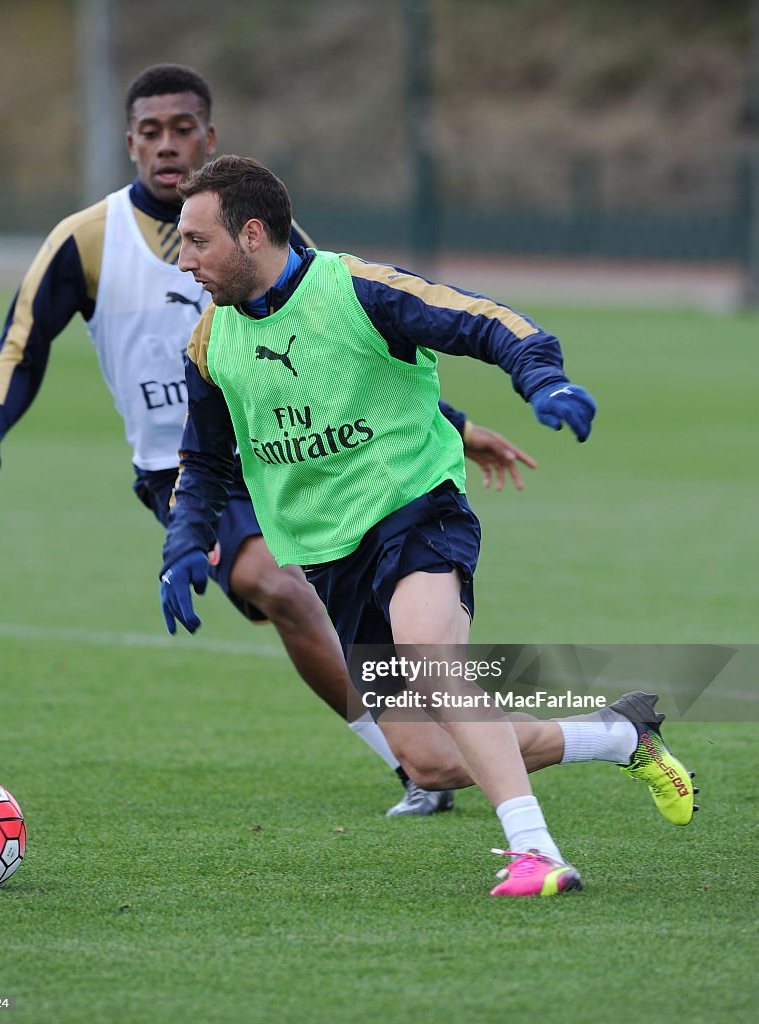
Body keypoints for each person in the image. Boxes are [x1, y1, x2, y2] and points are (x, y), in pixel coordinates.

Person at [0, 62, 537, 817]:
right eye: (151, 132)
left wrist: (459, 426)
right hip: (188, 470)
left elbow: (350, 361)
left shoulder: (263, 234)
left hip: (292, 458)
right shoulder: (86, 240)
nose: (167, 144)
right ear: (129, 143)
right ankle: (407, 758)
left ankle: (467, 746)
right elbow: (20, 344)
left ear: (209, 135)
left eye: (182, 128)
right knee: (280, 588)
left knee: (388, 616)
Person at [159, 155, 697, 896]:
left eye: (195, 241)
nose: (184, 261)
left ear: (252, 234)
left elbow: (484, 320)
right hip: (331, 553)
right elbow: (205, 461)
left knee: (430, 654)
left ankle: (536, 853)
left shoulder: (355, 289)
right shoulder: (209, 343)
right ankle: (618, 735)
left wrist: (543, 376)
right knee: (434, 763)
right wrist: (185, 542)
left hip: (416, 509)